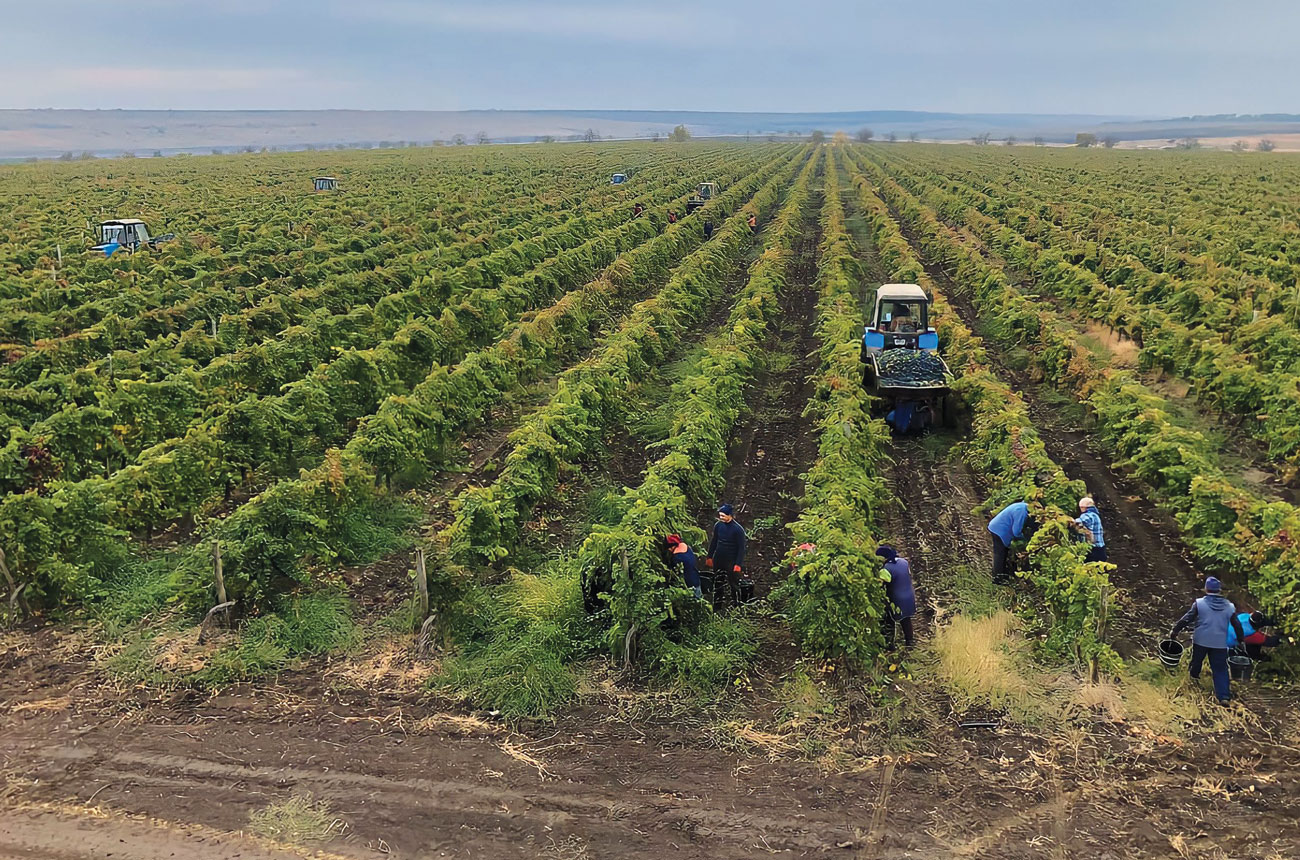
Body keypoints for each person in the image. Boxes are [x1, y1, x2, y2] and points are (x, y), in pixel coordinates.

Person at [1170, 577, 1247, 706]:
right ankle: (1224, 697)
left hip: (1201, 640)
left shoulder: (1199, 604)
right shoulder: (1229, 607)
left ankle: (1192, 684)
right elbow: (1237, 625)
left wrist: (1175, 631)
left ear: (1206, 589)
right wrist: (1241, 640)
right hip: (1219, 643)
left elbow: (1186, 619)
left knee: (1196, 662)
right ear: (1219, 590)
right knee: (1220, 669)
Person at [706, 504, 747, 609]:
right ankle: (717, 606)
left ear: (730, 516)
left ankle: (736, 606)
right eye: (720, 515)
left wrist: (738, 564)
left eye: (723, 516)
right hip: (719, 558)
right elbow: (714, 542)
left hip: (731, 560)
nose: (721, 518)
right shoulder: (718, 526)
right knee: (718, 582)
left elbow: (741, 548)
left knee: (734, 584)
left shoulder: (738, 530)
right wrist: (709, 556)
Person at [986, 501, 1037, 585]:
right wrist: (1026, 540)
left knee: (1003, 554)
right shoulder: (1022, 512)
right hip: (999, 530)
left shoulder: (1022, 506)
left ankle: (1003, 577)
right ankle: (997, 580)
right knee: (1000, 554)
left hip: (996, 526)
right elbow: (1016, 531)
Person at [876, 545, 917, 648]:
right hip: (909, 596)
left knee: (889, 620)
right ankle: (910, 642)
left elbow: (880, 586)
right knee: (906, 620)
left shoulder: (885, 570)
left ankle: (889, 644)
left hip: (896, 599)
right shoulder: (904, 562)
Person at [665, 534, 702, 600]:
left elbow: (675, 573)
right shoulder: (686, 547)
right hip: (696, 579)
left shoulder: (677, 557)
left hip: (688, 585)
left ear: (673, 547)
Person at [1071, 497, 1107, 563]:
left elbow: (1080, 521)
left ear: (1083, 507)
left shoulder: (1088, 515)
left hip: (1093, 549)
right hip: (1101, 549)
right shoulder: (1095, 514)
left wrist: (1069, 521)